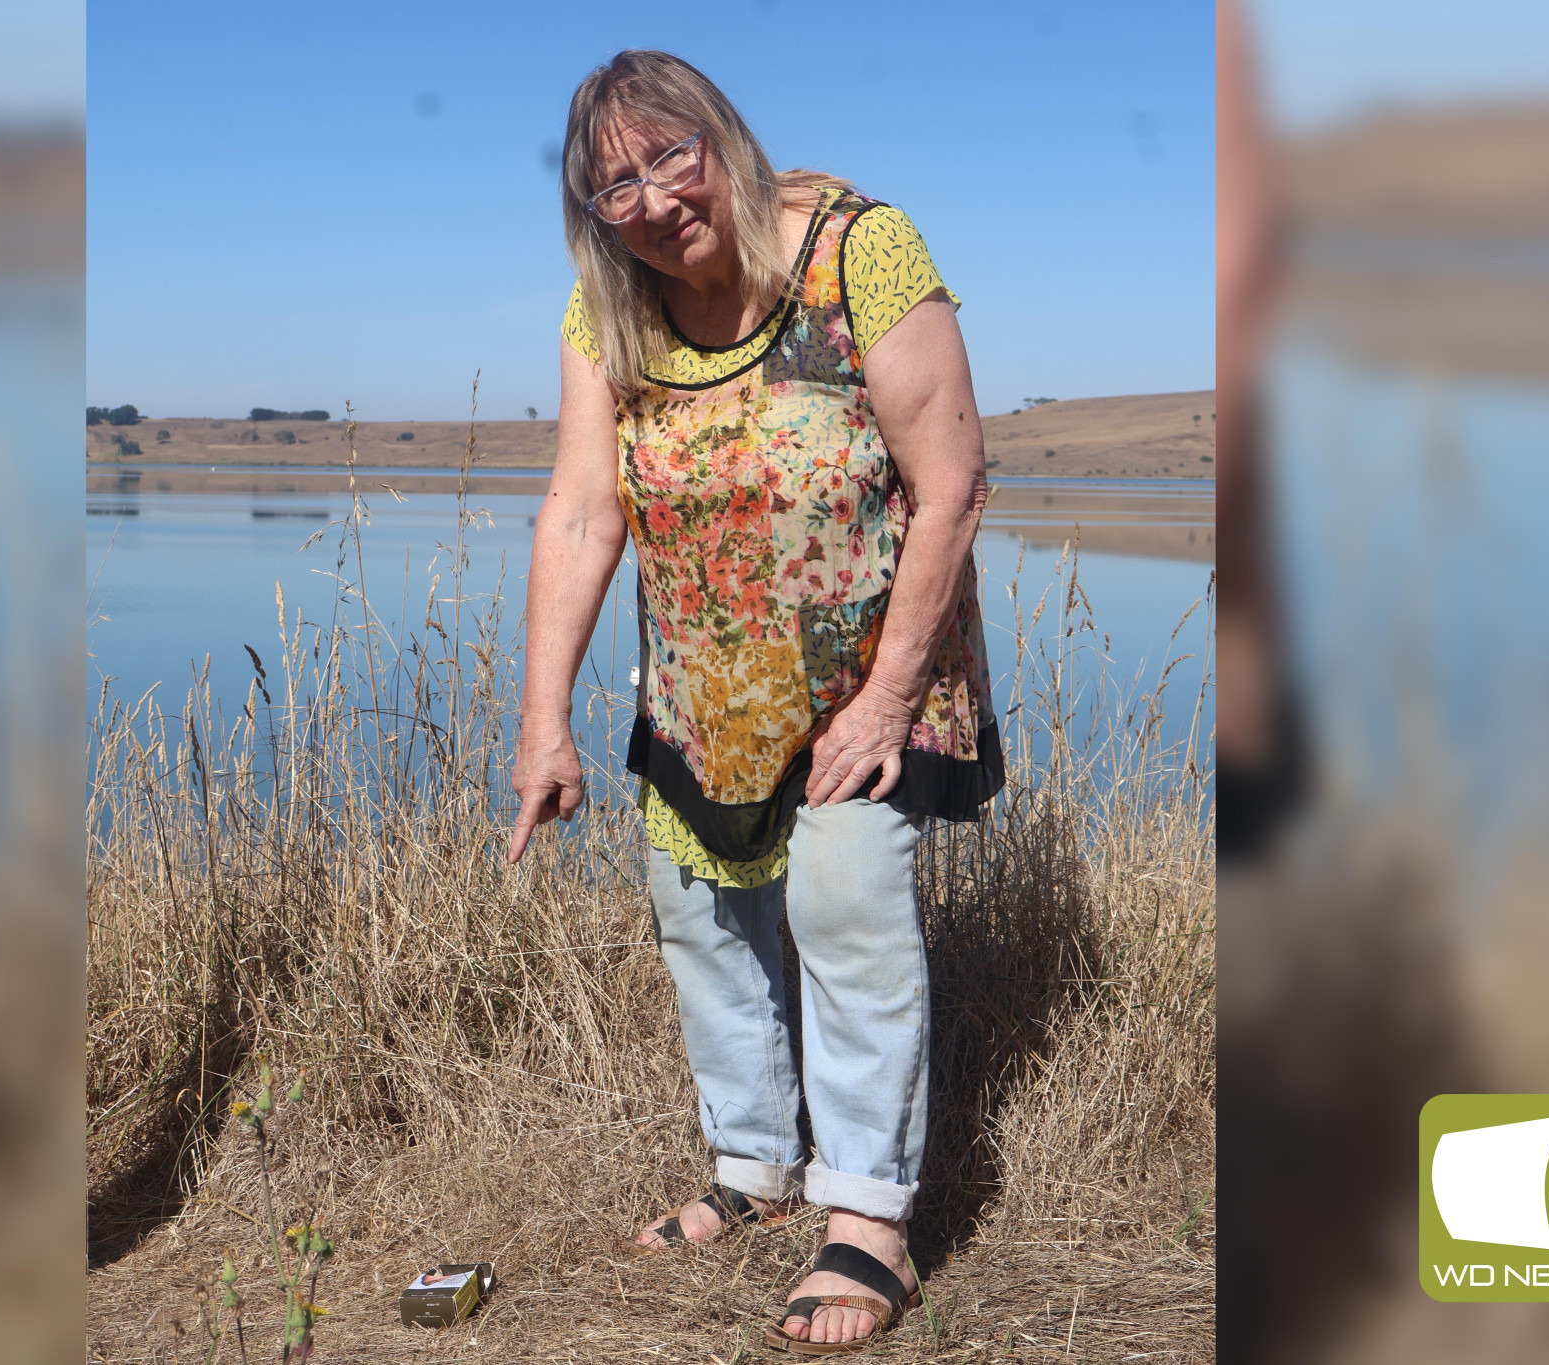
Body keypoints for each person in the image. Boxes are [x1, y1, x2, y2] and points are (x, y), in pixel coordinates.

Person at [506, 50, 1002, 1353]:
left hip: (873, 669)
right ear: (592, 213)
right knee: (699, 916)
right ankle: (755, 1167)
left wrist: (888, 700)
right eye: (617, 184)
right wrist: (542, 721)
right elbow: (580, 510)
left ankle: (869, 1217)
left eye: (675, 154)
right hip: (706, 686)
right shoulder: (604, 310)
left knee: (843, 905)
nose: (659, 197)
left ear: (725, 139)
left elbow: (950, 481)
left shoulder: (858, 253)